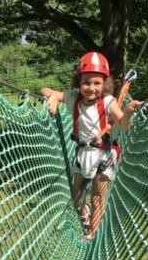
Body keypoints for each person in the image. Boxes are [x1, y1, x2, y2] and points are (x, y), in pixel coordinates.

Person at [40, 52, 141, 241]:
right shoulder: (74, 98)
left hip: (105, 153)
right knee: (76, 195)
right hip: (83, 152)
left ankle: (92, 233)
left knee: (97, 197)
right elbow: (44, 89)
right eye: (86, 82)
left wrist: (127, 112)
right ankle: (85, 214)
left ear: (105, 83)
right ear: (78, 81)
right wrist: (52, 97)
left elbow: (123, 124)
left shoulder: (108, 102)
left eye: (97, 83)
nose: (91, 88)